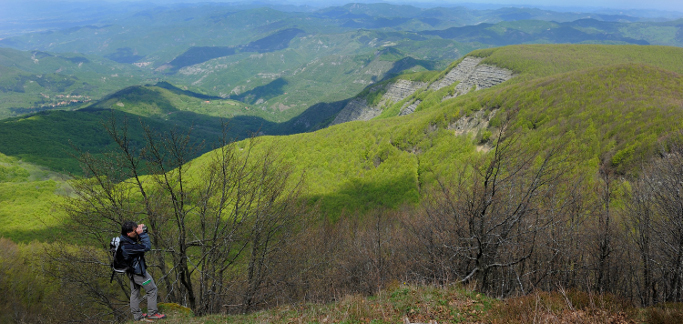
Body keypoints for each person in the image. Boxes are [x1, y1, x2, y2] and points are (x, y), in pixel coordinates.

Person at [120, 221, 167, 321]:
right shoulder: (127, 246)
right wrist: (142, 234)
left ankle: (137, 316)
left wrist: (138, 230)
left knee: (135, 292)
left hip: (132, 272)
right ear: (128, 233)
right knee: (152, 290)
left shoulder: (125, 240)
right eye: (134, 231)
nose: (136, 232)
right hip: (138, 273)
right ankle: (153, 313)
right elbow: (146, 247)